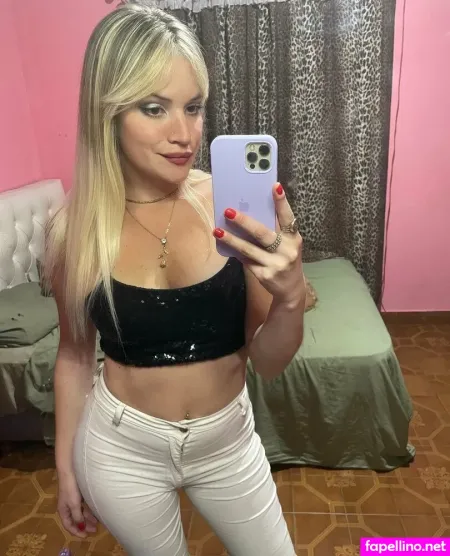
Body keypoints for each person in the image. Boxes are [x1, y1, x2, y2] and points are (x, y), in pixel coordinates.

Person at [44, 3, 306, 555]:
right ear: (108, 112)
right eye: (154, 108)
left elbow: (268, 361)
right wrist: (65, 468)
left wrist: (288, 299)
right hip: (121, 451)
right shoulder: (75, 231)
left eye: (193, 107)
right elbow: (73, 355)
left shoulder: (229, 209)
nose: (184, 134)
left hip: (228, 444)